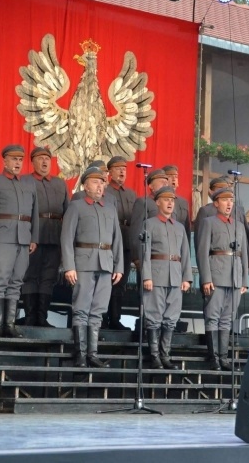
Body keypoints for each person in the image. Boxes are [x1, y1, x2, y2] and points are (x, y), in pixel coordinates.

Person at [61, 166, 124, 368]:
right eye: (96, 182)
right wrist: (69, 266)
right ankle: (80, 354)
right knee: (81, 308)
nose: (100, 186)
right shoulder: (76, 207)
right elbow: (67, 238)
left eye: (102, 182)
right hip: (83, 262)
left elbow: (117, 241)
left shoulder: (110, 208)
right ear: (85, 185)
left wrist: (119, 267)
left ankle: (92, 354)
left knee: (97, 310)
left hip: (105, 264)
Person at [0, 144, 39, 338]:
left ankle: (10, 325)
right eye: (14, 159)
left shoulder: (29, 184)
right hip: (2, 237)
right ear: (4, 160)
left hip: (23, 238)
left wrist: (34, 238)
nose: (17, 163)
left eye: (20, 159)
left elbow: (34, 214)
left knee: (16, 282)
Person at [196, 186, 249, 370]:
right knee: (213, 316)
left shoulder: (239, 225)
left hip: (234, 276)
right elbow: (202, 252)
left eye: (231, 201)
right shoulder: (208, 222)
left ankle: (223, 358)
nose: (229, 204)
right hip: (216, 275)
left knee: (227, 318)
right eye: (225, 200)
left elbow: (244, 254)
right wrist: (206, 278)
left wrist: (244, 280)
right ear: (216, 203)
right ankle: (213, 358)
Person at [141, 185, 192, 370]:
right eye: (166, 199)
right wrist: (146, 276)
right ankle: (154, 356)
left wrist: (186, 278)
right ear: (157, 202)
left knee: (171, 317)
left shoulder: (179, 227)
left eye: (172, 200)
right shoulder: (150, 224)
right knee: (154, 316)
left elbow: (185, 253)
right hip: (156, 275)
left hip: (176, 276)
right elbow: (145, 252)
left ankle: (165, 355)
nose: (170, 203)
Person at [21, 147, 69, 327]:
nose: (44, 162)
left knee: (49, 277)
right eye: (40, 158)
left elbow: (68, 212)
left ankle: (42, 317)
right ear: (32, 161)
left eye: (47, 159)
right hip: (32, 235)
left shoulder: (60, 184)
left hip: (54, 236)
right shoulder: (25, 181)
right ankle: (29, 316)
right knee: (30, 275)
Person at [103, 156, 136, 330]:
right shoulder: (105, 192)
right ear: (109, 173)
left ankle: (115, 319)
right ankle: (101, 320)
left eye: (124, 168)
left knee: (121, 283)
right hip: (109, 242)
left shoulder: (131, 194)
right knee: (106, 281)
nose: (122, 171)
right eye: (118, 168)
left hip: (127, 241)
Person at [129, 168, 170, 264]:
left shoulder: (170, 205)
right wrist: (137, 258)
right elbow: (136, 231)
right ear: (151, 186)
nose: (165, 184)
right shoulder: (143, 202)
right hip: (149, 256)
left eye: (166, 182)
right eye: (161, 181)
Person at [162, 164, 192, 246]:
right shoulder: (158, 200)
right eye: (170, 176)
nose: (174, 179)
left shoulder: (183, 202)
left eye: (176, 176)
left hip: (180, 243)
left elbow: (187, 229)